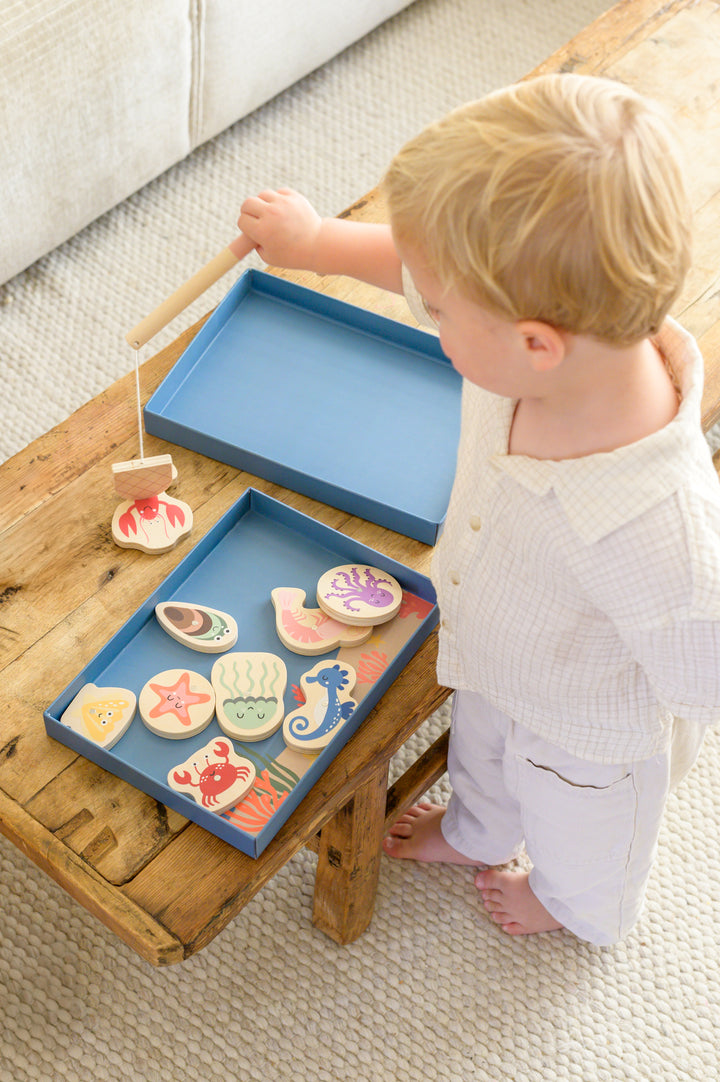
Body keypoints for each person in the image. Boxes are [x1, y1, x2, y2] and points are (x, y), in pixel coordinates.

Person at [237, 73, 720, 946]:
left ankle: (575, 907)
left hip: (589, 735)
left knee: (582, 835)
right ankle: (476, 834)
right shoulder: (535, 344)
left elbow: (703, 672)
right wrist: (314, 242)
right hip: (495, 651)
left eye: (442, 307)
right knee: (483, 760)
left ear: (536, 344)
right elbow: (422, 272)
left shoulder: (661, 527)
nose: (428, 307)